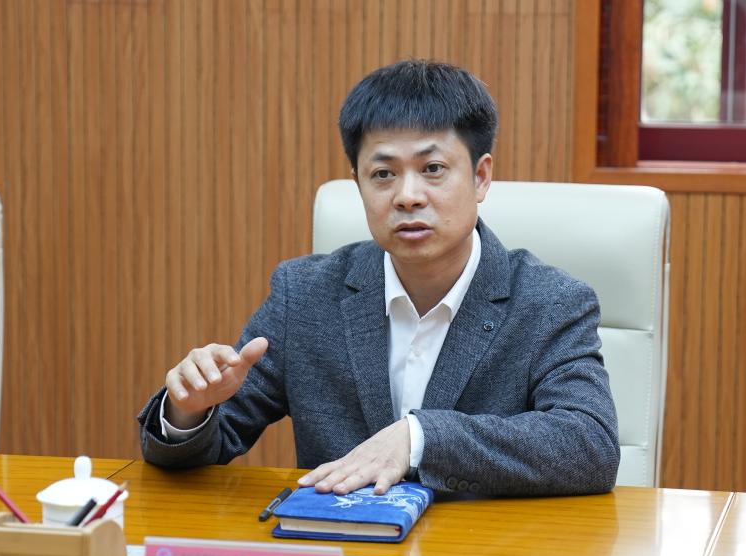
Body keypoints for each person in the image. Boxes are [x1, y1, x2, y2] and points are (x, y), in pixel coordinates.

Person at [137, 59, 619, 497]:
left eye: (433, 169)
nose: (408, 196)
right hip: (340, 552)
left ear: (480, 177)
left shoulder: (550, 302)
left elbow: (590, 445)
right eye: (383, 174)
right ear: (359, 184)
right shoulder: (303, 295)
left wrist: (420, 438)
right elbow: (208, 442)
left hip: (481, 554)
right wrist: (188, 411)